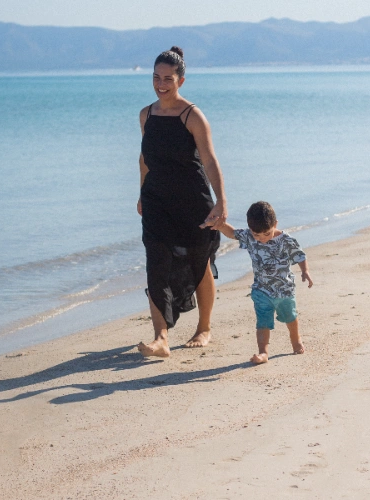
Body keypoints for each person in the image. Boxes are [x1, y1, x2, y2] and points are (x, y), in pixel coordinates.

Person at [136, 46, 228, 358]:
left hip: (192, 200)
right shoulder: (146, 114)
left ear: (181, 81)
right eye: (156, 78)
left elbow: (210, 161)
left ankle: (204, 328)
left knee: (198, 262)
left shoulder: (192, 115)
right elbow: (144, 159)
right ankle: (160, 337)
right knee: (156, 262)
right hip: (156, 200)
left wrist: (221, 202)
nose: (161, 84)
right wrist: (141, 193)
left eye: (168, 79)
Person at [209, 201, 313, 364]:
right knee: (262, 321)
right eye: (257, 235)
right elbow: (232, 233)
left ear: (275, 225)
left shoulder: (286, 240)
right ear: (251, 229)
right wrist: (219, 224)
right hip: (261, 290)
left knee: (290, 318)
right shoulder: (250, 236)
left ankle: (296, 341)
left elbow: (300, 255)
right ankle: (263, 352)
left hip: (284, 290)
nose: (262, 239)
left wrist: (305, 271)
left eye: (267, 234)